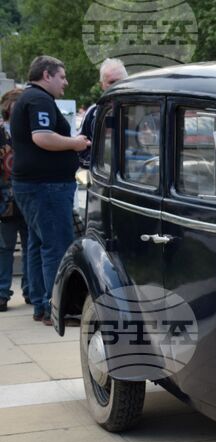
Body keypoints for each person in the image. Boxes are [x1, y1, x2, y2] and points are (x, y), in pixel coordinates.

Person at [10, 55, 90, 325]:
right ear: (47, 75)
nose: (65, 82)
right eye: (62, 76)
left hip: (33, 185)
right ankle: (57, 307)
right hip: (46, 187)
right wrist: (75, 143)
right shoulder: (40, 100)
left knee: (37, 244)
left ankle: (42, 304)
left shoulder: (28, 98)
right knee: (55, 246)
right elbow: (42, 137)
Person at [0, 88, 29, 313]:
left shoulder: (30, 132)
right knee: (4, 248)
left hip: (28, 197)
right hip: (4, 200)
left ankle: (31, 290)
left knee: (31, 247)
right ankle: (2, 294)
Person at [80, 58, 127, 169]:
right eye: (111, 82)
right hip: (103, 178)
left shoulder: (142, 109)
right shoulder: (93, 113)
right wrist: (98, 165)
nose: (116, 86)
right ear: (102, 85)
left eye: (120, 81)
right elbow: (81, 150)